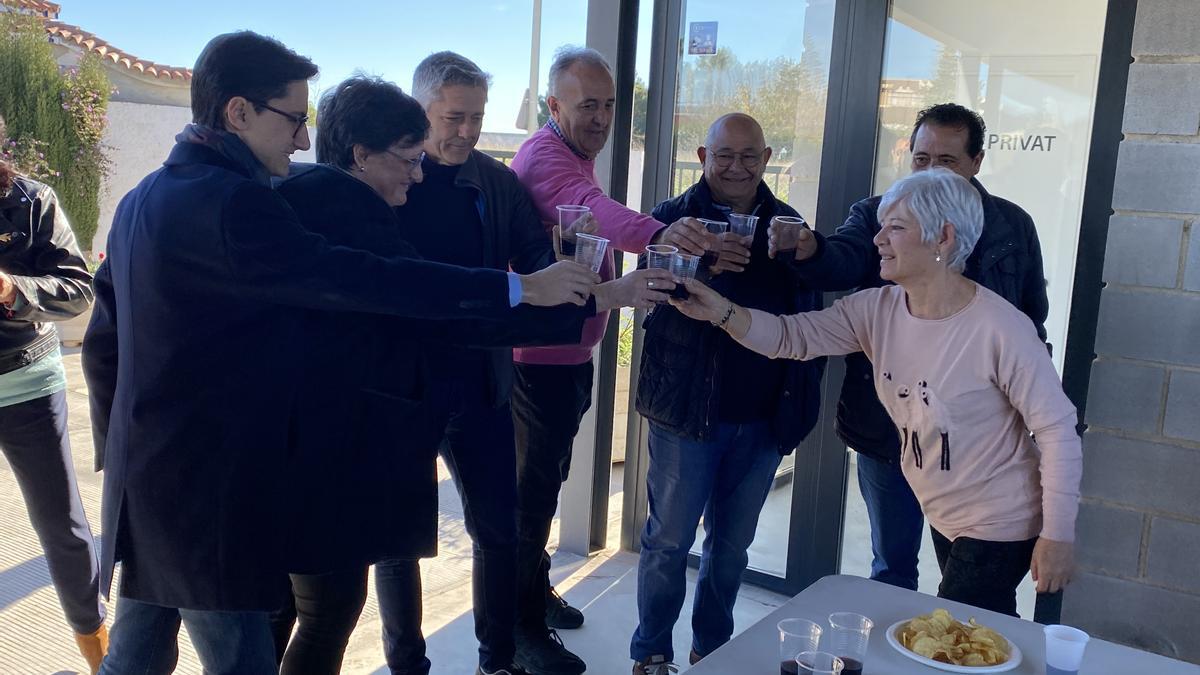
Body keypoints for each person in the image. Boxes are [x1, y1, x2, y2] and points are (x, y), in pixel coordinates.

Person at [83, 32, 596, 675]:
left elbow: (104, 346)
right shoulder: (235, 203)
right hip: (209, 493)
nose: (301, 140)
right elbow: (372, 279)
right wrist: (521, 286)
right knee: (241, 660)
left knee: (134, 658)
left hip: (148, 485)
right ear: (239, 112)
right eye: (293, 119)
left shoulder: (140, 200)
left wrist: (123, 446)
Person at [269, 71, 669, 675]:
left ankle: (500, 656)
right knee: (375, 558)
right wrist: (577, 294)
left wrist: (559, 272)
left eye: (478, 118)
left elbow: (521, 267)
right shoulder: (343, 209)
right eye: (452, 118)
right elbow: (436, 299)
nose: (465, 133)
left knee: (496, 530)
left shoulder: (490, 181)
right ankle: (408, 662)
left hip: (478, 384)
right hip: (385, 403)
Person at [675, 168, 1079, 620]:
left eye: (896, 228)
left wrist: (1058, 535)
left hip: (1001, 518)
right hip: (949, 513)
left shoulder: (1000, 329)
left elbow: (1058, 430)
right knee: (979, 635)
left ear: (943, 238)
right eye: (881, 226)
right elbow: (792, 337)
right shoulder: (878, 309)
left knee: (957, 641)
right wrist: (720, 311)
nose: (878, 239)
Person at [770, 103, 1050, 592]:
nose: (930, 171)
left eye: (946, 161)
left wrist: (1033, 408)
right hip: (890, 432)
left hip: (981, 448)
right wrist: (810, 249)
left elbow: (1032, 321)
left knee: (969, 591)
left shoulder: (1011, 225)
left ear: (977, 162)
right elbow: (844, 259)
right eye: (921, 160)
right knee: (891, 568)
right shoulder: (883, 213)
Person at [508, 45, 717, 674]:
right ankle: (517, 629)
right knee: (530, 498)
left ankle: (533, 594)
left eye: (608, 105)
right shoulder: (547, 157)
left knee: (545, 486)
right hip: (537, 361)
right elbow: (595, 211)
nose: (601, 118)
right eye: (586, 105)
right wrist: (659, 235)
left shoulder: (575, 151)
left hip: (567, 353)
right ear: (553, 106)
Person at [627, 113, 824, 675]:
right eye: (724, 155)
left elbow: (808, 314)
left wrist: (800, 254)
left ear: (766, 158)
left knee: (731, 550)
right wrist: (699, 263)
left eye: (748, 156)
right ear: (702, 156)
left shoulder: (787, 225)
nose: (736, 167)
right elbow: (647, 294)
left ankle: (711, 651)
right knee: (667, 542)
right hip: (683, 414)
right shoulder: (670, 218)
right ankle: (651, 654)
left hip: (762, 417)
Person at [0, 115, 106, 673]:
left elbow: (77, 287)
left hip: (25, 382)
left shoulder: (31, 200)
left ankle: (100, 655)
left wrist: (12, 287)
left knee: (61, 526)